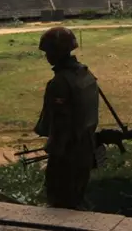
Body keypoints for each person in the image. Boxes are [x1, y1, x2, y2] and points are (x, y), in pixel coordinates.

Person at [33, 26, 99, 210]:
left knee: (60, 202)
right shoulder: (85, 74)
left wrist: (54, 153)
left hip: (68, 154)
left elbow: (61, 125)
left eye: (48, 51)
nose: (46, 56)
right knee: (76, 199)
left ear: (55, 52)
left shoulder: (60, 82)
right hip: (85, 147)